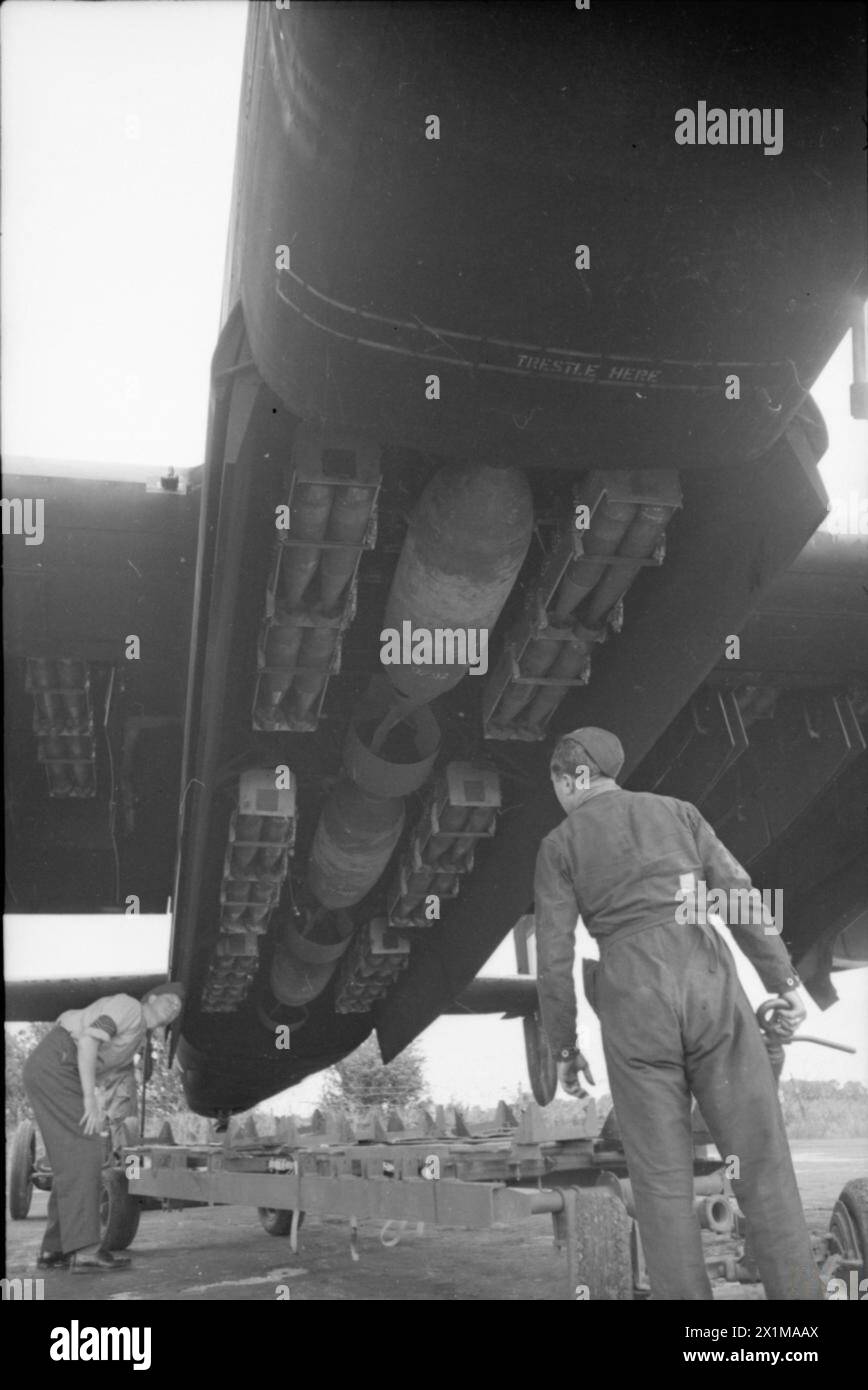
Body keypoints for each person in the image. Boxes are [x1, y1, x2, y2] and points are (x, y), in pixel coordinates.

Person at [534, 727, 825, 1301]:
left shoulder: (559, 845)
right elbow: (737, 893)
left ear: (574, 779)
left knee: (662, 1186)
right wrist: (783, 979)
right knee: (761, 1166)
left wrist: (564, 1049)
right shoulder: (679, 814)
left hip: (632, 1001)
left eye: (558, 787)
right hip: (707, 982)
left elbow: (553, 958)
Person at [22, 982, 185, 1272]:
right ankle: (84, 1251)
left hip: (57, 1068)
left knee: (73, 1159)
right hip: (60, 1064)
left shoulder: (138, 1035)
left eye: (178, 1008)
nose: (174, 1007)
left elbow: (116, 1077)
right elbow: (87, 1041)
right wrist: (89, 1100)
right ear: (152, 998)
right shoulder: (130, 1007)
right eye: (170, 1000)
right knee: (85, 1153)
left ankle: (54, 1249)